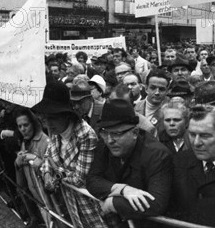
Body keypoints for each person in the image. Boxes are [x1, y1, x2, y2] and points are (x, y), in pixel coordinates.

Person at [87, 98, 173, 228]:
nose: (110, 140)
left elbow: (156, 203)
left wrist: (112, 203)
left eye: (117, 133)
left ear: (135, 132)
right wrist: (123, 189)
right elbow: (92, 180)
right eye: (105, 132)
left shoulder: (157, 155)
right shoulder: (104, 145)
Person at [32, 81, 107, 228]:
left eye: (52, 118)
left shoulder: (86, 135)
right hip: (72, 203)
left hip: (92, 206)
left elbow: (79, 179)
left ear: (66, 115)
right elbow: (48, 155)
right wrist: (47, 173)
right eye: (44, 118)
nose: (48, 124)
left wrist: (57, 174)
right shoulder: (56, 131)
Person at [13, 107, 50, 227]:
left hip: (49, 200)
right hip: (36, 199)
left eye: (26, 125)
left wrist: (34, 159)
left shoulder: (45, 142)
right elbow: (22, 180)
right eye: (20, 126)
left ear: (33, 124)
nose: (23, 129)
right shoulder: (25, 142)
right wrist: (18, 162)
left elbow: (50, 170)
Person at [134, 70, 169, 137]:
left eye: (161, 89)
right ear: (146, 88)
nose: (157, 93)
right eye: (153, 88)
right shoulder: (136, 107)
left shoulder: (172, 109)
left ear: (166, 91)